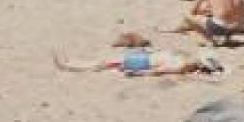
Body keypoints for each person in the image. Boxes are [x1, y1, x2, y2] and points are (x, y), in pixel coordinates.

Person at [53, 49, 223, 76]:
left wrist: (138, 73)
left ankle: (69, 66)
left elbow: (159, 70)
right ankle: (71, 64)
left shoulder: (182, 65)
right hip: (143, 58)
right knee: (103, 62)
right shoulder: (186, 60)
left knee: (102, 64)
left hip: (142, 62)